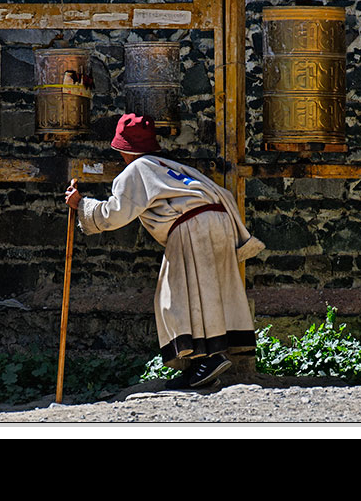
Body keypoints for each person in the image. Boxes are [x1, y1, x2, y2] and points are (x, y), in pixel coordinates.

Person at [64, 113, 265, 389]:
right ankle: (205, 361)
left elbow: (117, 213)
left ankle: (207, 358)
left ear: (124, 149)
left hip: (192, 226)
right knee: (207, 292)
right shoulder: (166, 165)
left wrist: (81, 204)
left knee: (175, 298)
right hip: (219, 220)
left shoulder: (137, 170)